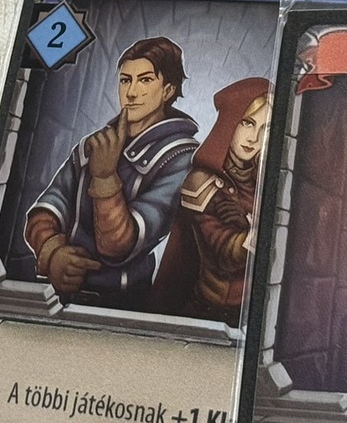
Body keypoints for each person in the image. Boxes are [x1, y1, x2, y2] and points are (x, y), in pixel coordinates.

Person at [23, 37, 198, 310]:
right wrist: (52, 251)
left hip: (123, 302)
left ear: (168, 90)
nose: (131, 92)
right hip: (60, 295)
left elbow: (120, 246)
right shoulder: (96, 143)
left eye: (145, 80)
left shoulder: (180, 157)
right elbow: (48, 207)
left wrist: (105, 178)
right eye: (126, 80)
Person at [153, 78, 272, 325]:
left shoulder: (260, 181)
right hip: (213, 313)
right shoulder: (201, 184)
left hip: (255, 315)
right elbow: (225, 252)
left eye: (265, 128)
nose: (254, 137)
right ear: (231, 122)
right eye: (247, 123)